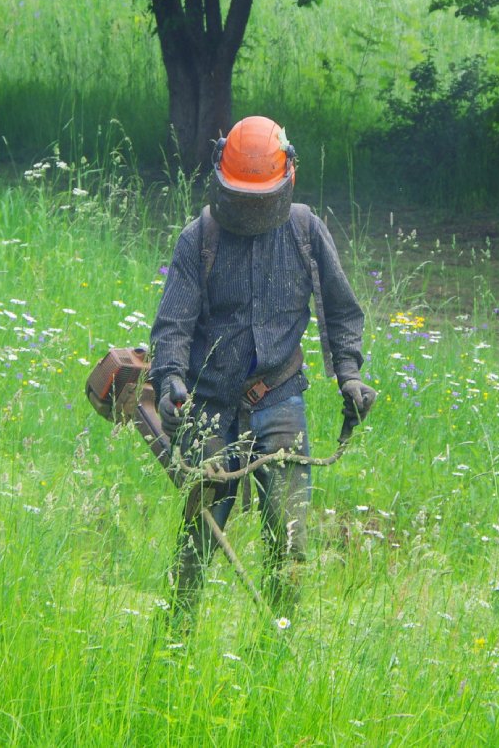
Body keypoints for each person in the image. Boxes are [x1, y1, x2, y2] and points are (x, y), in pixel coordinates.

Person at [148, 115, 377, 627]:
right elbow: (173, 326)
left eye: (259, 200)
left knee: (291, 542)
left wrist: (350, 375)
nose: (250, 210)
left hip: (279, 400)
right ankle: (174, 643)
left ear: (287, 179)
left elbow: (341, 312)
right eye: (241, 199)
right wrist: (170, 381)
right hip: (207, 406)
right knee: (196, 541)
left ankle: (275, 652)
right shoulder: (198, 239)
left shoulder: (305, 232)